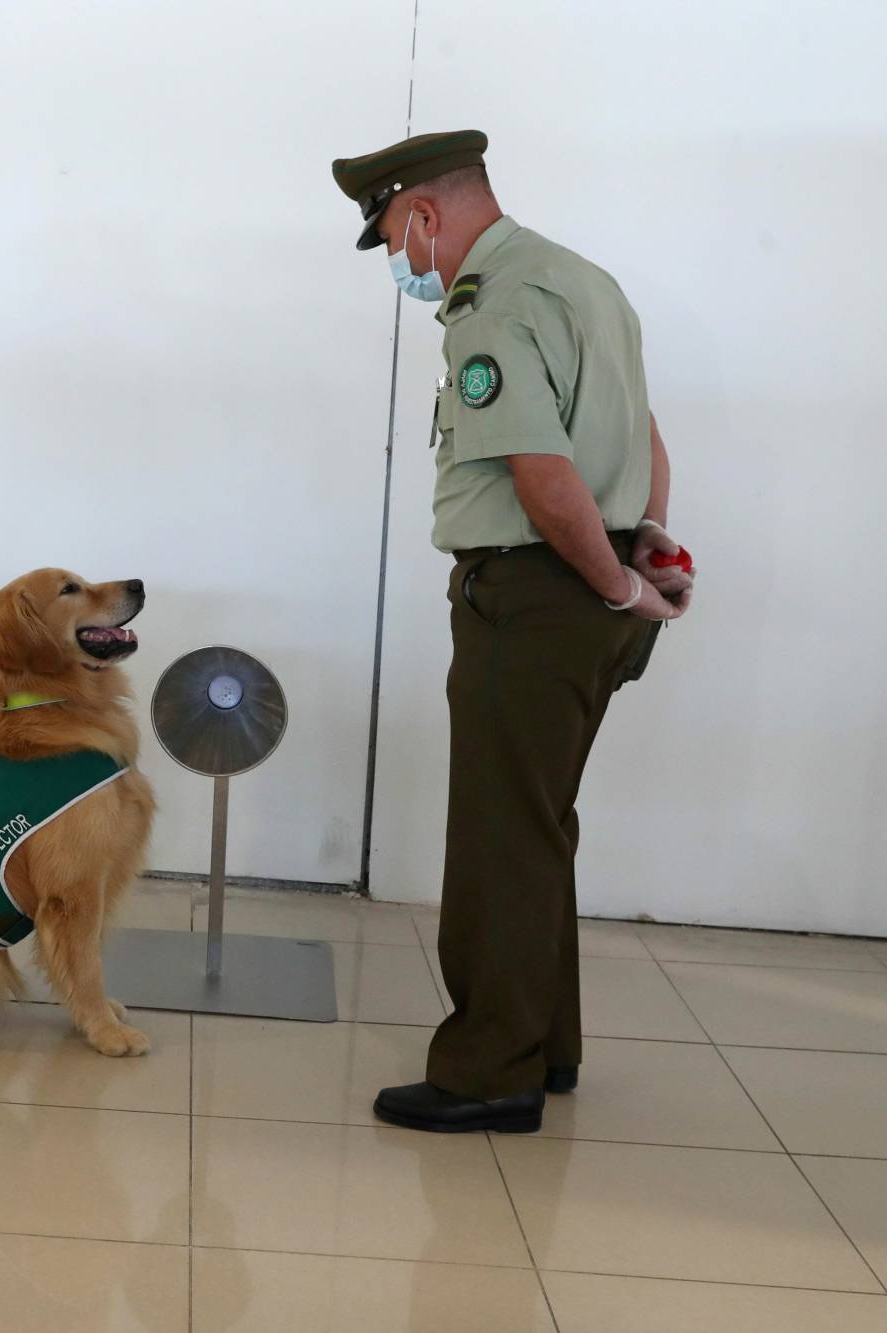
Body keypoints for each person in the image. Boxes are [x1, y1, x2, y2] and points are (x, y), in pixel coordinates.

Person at [331, 129, 695, 1133]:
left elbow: (540, 475)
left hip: (537, 599)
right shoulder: (584, 280)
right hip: (594, 586)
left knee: (498, 837)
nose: (407, 263)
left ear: (422, 212)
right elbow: (643, 436)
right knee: (538, 827)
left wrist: (615, 586)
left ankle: (488, 1069)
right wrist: (643, 546)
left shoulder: (489, 303)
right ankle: (547, 1046)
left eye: (397, 239)